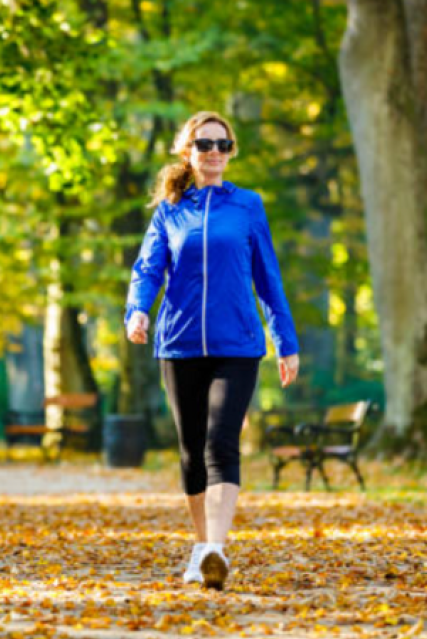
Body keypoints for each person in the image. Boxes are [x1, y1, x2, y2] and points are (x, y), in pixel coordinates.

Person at [125, 111, 300, 591]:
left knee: (221, 443)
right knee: (191, 452)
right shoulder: (170, 210)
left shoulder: (247, 206)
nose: (215, 153)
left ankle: (216, 549)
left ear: (231, 151)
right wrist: (137, 311)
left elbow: (268, 277)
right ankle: (202, 548)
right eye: (205, 145)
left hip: (238, 344)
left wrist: (285, 341)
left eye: (224, 145)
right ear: (188, 151)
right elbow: (147, 269)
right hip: (179, 345)